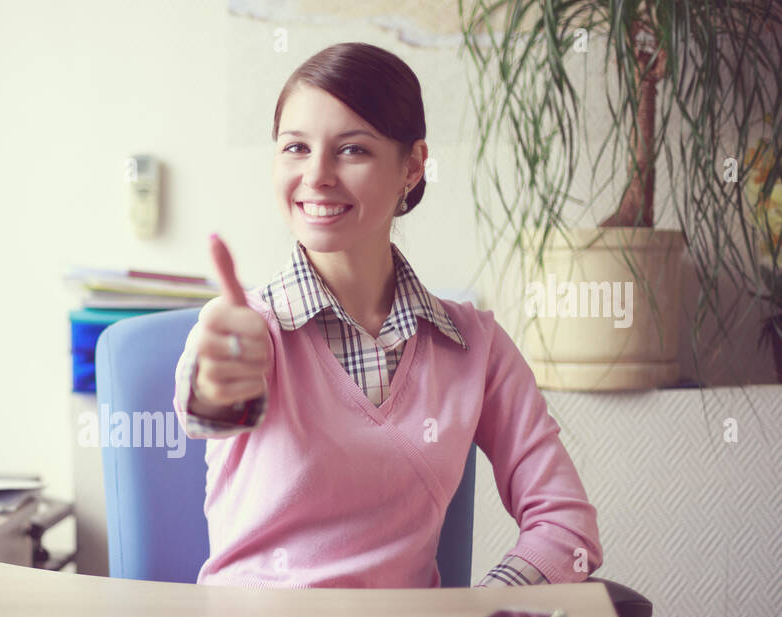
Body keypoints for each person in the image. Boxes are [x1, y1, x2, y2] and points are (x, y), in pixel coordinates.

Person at [172, 42, 602, 589]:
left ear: (413, 166)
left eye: (352, 150)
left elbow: (567, 527)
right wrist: (217, 375)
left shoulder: (476, 346)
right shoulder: (244, 328)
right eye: (296, 148)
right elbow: (211, 410)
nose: (318, 175)